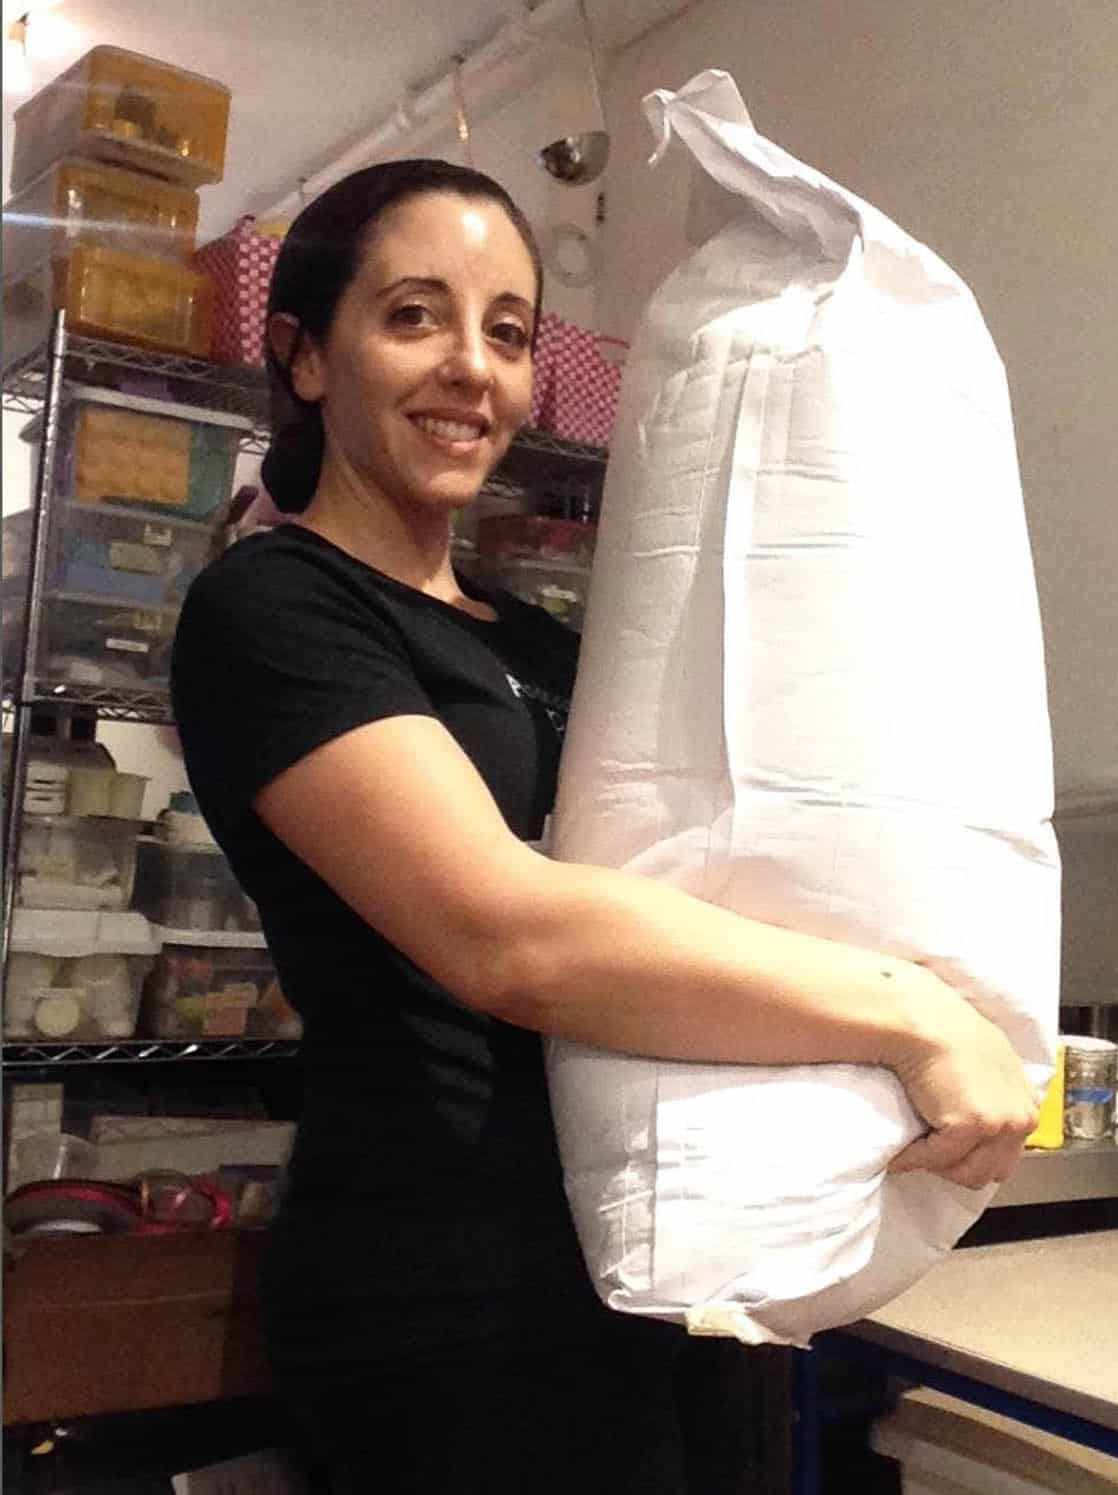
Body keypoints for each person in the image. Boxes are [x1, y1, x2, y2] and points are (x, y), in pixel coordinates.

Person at [170, 159, 1037, 1494]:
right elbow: (504, 936)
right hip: (450, 1293)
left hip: (664, 1247)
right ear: (303, 355)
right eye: (414, 317)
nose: (473, 369)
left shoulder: (546, 645)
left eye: (508, 333)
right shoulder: (276, 612)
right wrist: (915, 1015)